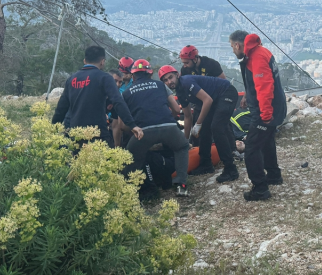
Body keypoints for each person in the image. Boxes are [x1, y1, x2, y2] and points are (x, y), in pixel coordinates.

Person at [229, 30, 286, 201]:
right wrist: (248, 94)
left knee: (252, 147)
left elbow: (265, 87)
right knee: (266, 140)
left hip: (266, 109)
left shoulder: (257, 57)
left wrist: (266, 115)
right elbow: (256, 81)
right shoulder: (257, 52)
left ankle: (260, 188)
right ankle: (274, 175)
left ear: (238, 45)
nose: (232, 50)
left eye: (232, 47)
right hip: (269, 107)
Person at [122, 59, 191, 197]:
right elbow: (177, 109)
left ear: (133, 76)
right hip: (169, 127)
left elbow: (123, 124)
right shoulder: (160, 85)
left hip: (143, 131)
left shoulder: (126, 93)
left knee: (129, 158)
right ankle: (181, 185)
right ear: (150, 74)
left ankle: (129, 191)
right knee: (182, 147)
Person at [159, 65, 239, 183]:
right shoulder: (180, 92)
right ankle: (206, 164)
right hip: (215, 99)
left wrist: (198, 123)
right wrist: (185, 141)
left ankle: (230, 169)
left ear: (177, 75)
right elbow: (187, 116)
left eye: (170, 77)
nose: (169, 82)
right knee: (205, 130)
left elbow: (207, 100)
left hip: (226, 93)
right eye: (165, 80)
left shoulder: (186, 81)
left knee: (217, 127)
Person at [51, 46, 142, 147]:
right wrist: (132, 125)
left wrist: (53, 128)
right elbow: (118, 101)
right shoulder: (105, 78)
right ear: (102, 62)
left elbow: (61, 108)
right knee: (105, 160)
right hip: (97, 133)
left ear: (84, 60)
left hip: (75, 132)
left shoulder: (72, 79)